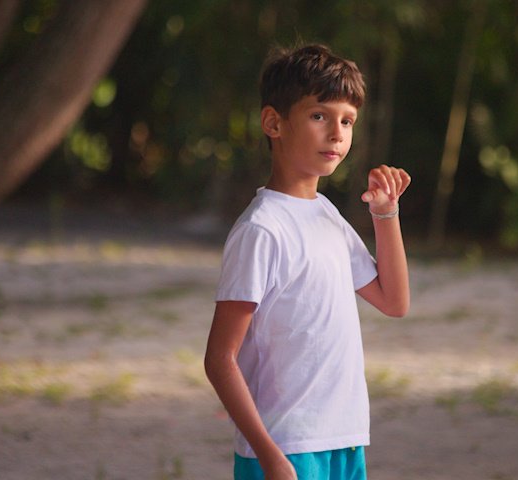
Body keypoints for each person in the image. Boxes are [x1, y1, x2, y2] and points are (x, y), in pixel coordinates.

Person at [204, 43, 411, 480]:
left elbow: (394, 302)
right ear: (273, 123)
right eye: (319, 116)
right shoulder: (262, 230)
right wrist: (269, 455)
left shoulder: (327, 216)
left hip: (343, 439)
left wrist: (386, 214)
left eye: (347, 120)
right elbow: (220, 358)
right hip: (286, 446)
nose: (337, 133)